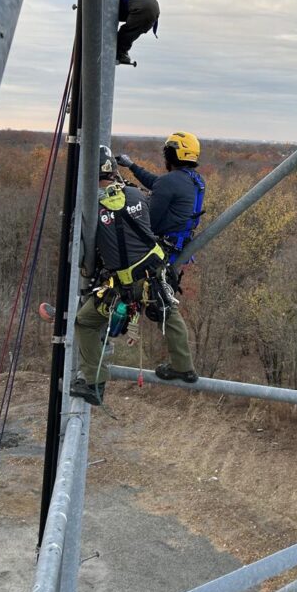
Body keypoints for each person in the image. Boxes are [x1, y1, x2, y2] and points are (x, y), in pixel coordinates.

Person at [69, 145, 198, 406]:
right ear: (113, 170)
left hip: (124, 284)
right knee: (168, 311)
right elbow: (147, 218)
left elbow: (83, 250)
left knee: (86, 322)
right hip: (154, 272)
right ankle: (184, 367)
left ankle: (94, 383)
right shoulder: (136, 195)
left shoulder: (89, 207)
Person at [115, 131, 205, 269]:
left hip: (164, 247)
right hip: (180, 245)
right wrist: (131, 166)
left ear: (170, 155)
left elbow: (149, 223)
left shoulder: (169, 181)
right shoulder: (195, 179)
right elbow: (157, 182)